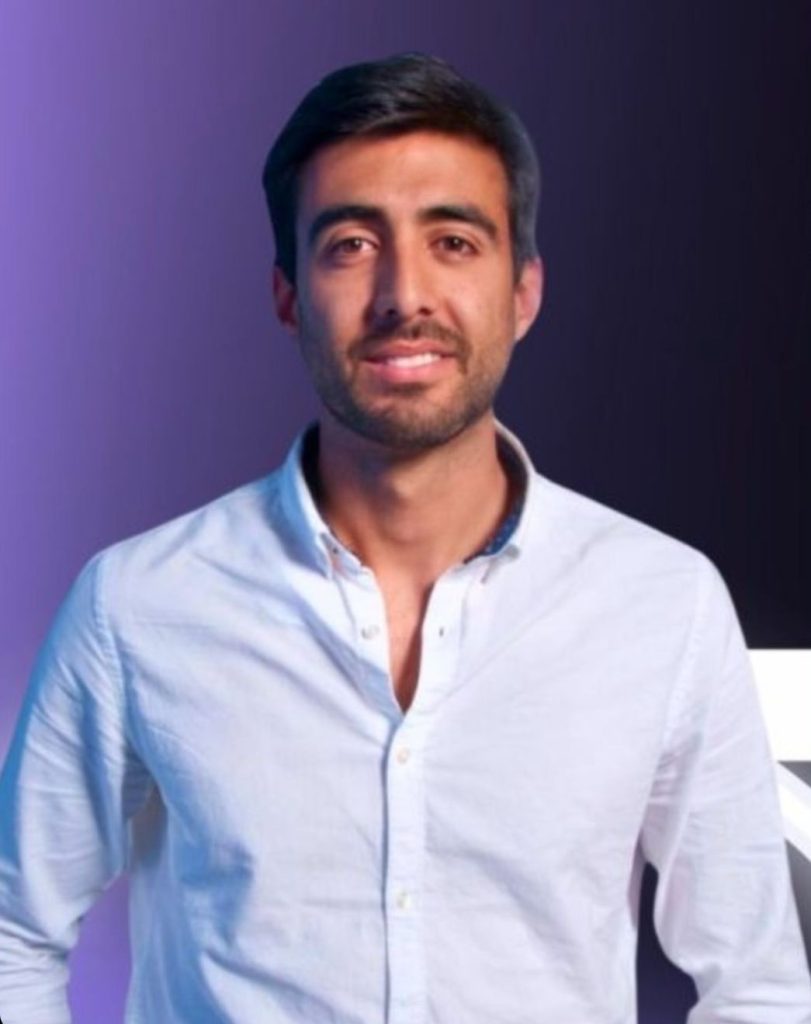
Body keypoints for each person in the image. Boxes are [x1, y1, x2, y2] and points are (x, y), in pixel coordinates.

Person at [0, 52, 808, 1024]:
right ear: (287, 294)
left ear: (524, 291)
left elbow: (755, 983)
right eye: (350, 243)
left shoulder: (663, 604)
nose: (403, 294)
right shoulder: (137, 606)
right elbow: (15, 932)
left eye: (453, 241)